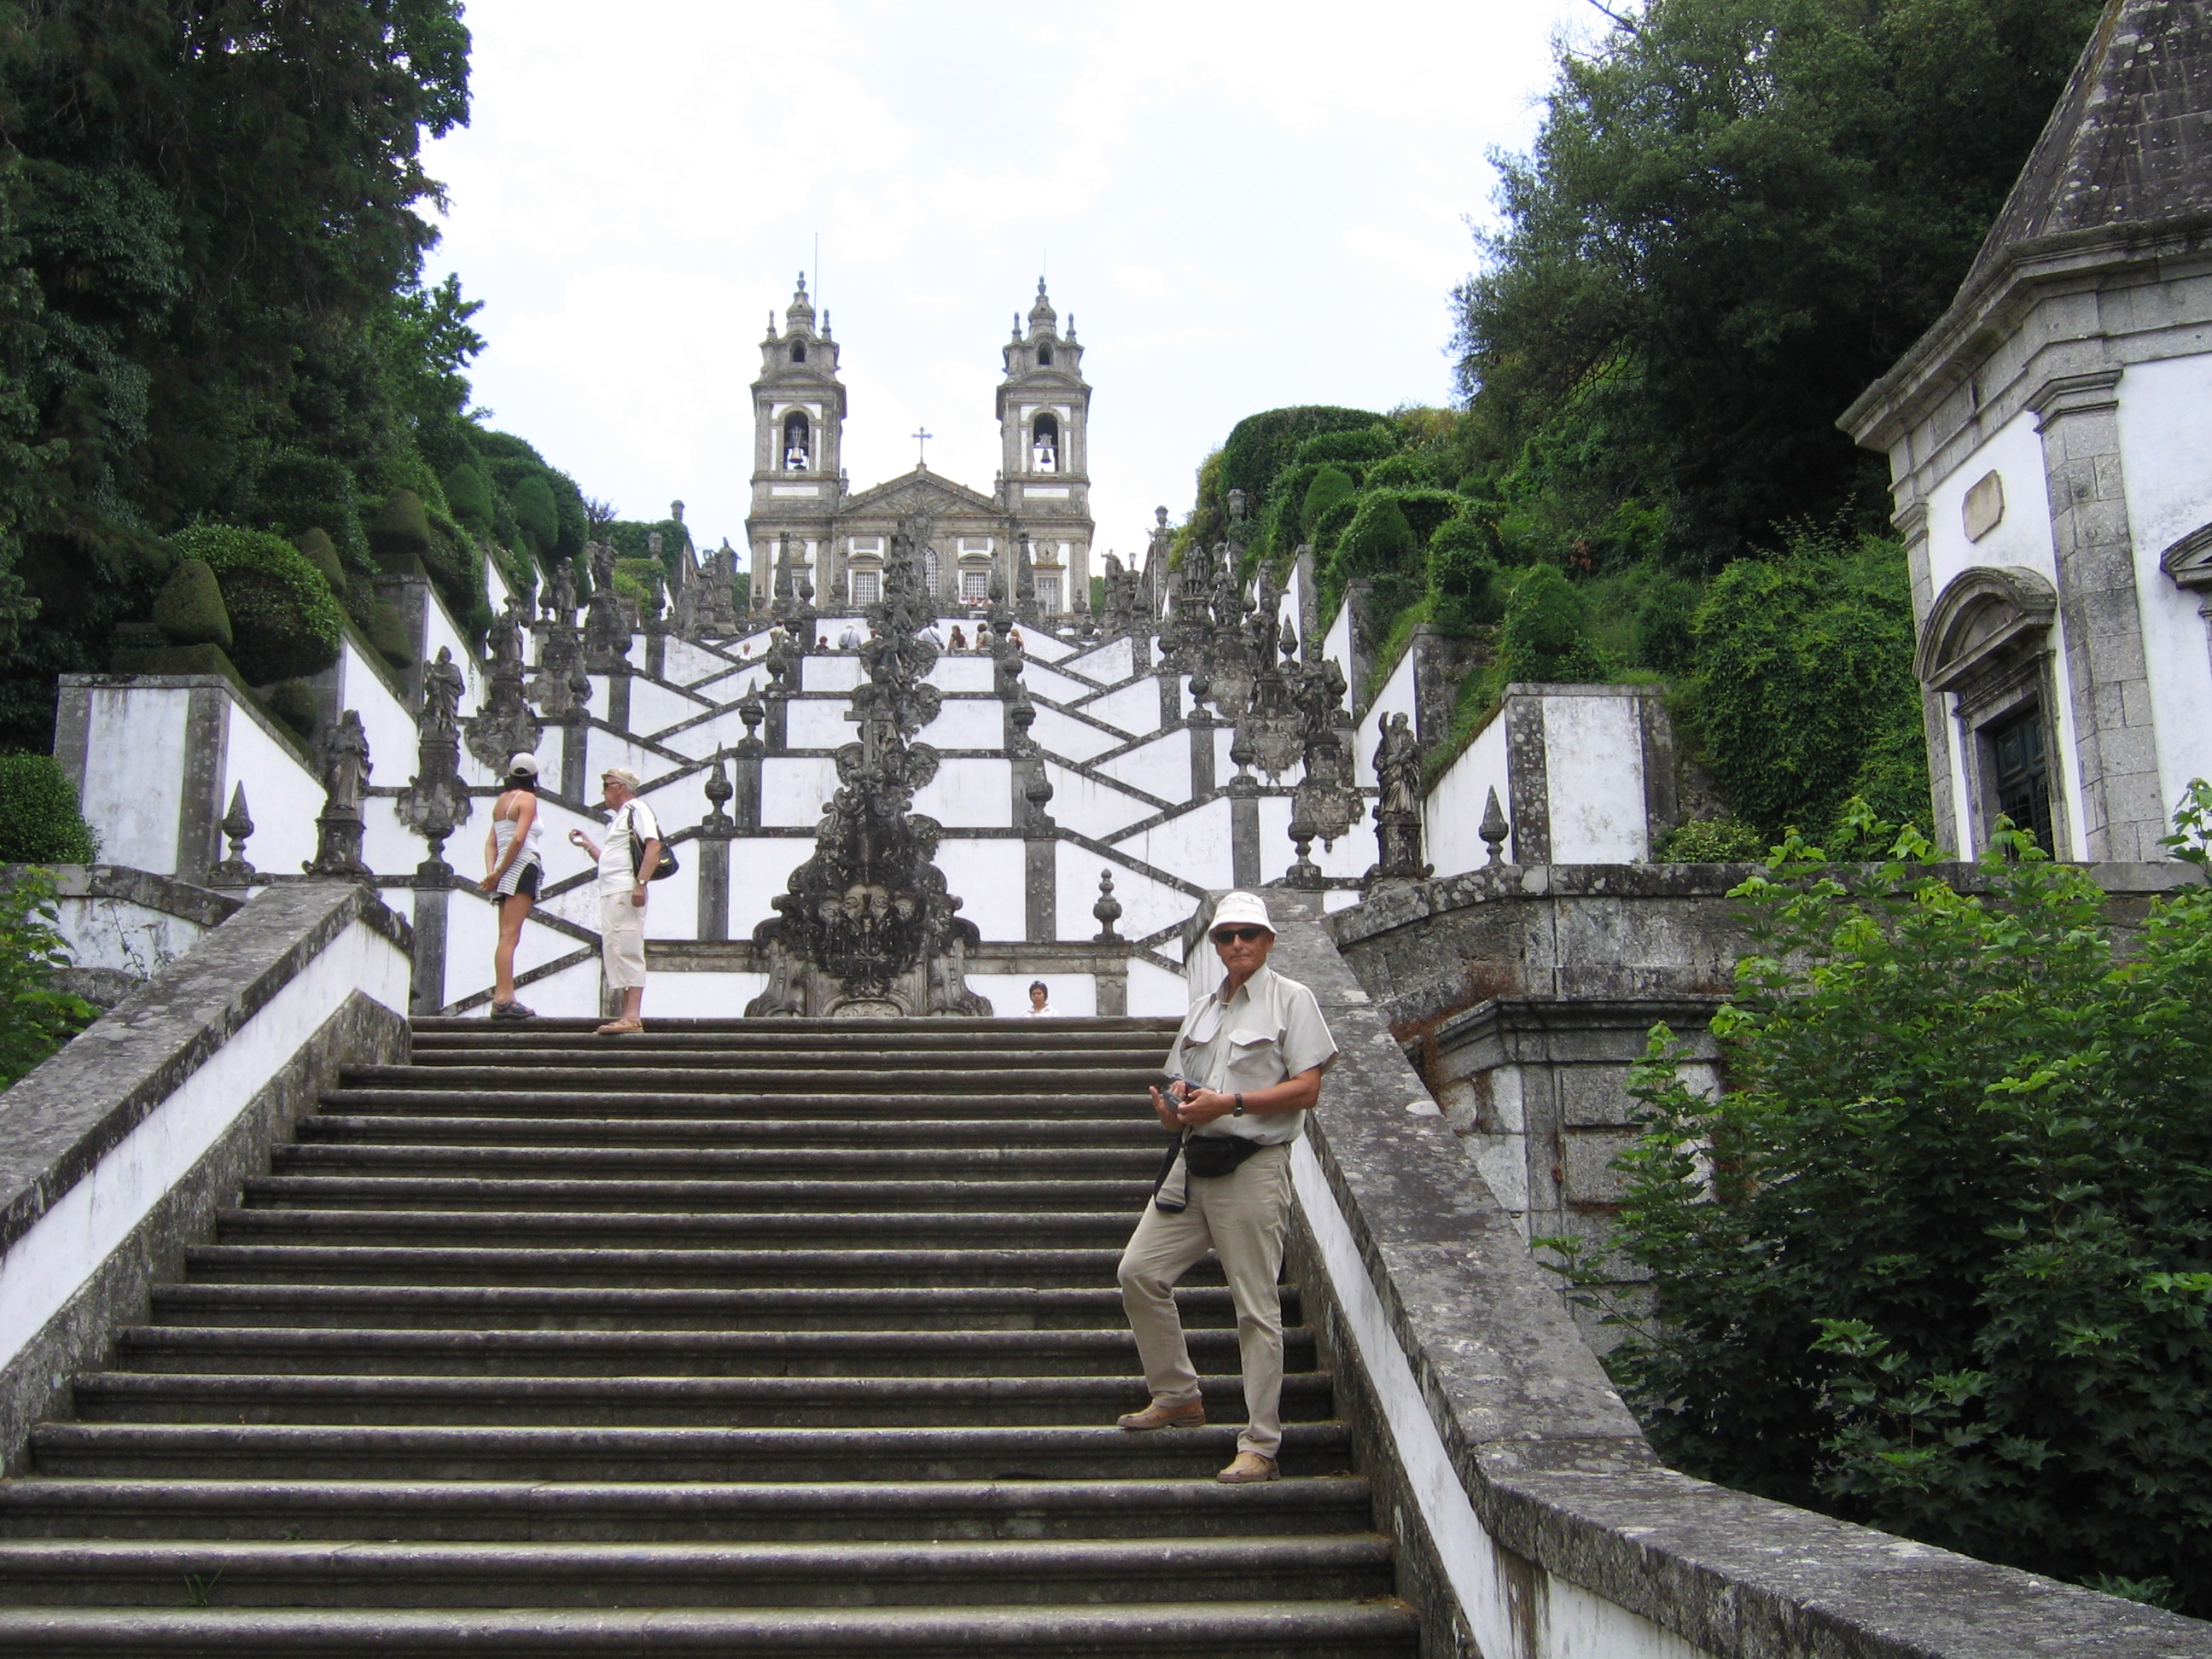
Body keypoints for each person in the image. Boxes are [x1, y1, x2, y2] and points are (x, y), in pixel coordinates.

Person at [1115, 891, 1337, 1485]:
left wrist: (1232, 1102)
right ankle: (1178, 1394)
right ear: (1213, 944)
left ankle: (1260, 1444)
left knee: (1256, 1309)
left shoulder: (1293, 1000)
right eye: (1224, 935)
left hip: (1253, 1164)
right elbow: (1182, 1084)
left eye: (1247, 934)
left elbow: (1309, 1088)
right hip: (1193, 1161)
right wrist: (1172, 1109)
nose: (1236, 943)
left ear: (1267, 942)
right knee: (1139, 1271)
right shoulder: (1201, 1010)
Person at [567, 766, 663, 1035]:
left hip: (626, 891)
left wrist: (641, 883)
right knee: (616, 950)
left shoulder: (637, 809)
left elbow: (653, 846)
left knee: (628, 947)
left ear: (619, 786)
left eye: (607, 785)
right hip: (613, 890)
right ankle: (627, 1014)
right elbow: (609, 864)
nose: (603, 792)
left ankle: (632, 1016)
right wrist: (588, 845)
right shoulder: (620, 818)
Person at [480, 754, 544, 1019]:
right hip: (522, 865)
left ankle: (502, 994)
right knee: (511, 935)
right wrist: (499, 871)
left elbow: (491, 843)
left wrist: (493, 873)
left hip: (505, 871)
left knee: (504, 935)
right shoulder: (528, 799)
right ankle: (504, 997)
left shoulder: (501, 802)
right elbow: (519, 839)